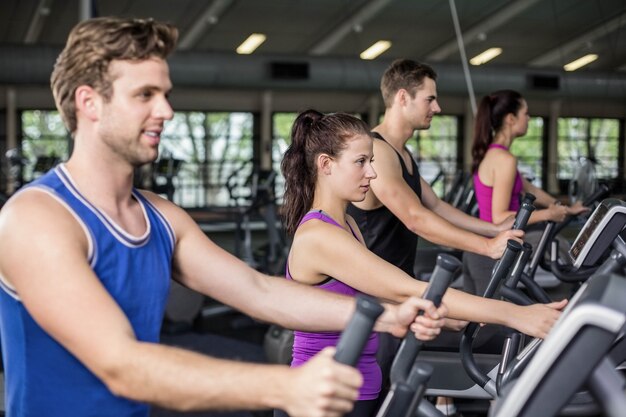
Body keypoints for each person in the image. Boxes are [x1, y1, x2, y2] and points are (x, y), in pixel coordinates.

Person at [0, 17, 443, 417]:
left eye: (165, 94)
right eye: (144, 95)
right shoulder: (37, 218)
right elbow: (122, 364)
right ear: (89, 103)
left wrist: (386, 314)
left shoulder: (160, 216)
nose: (166, 111)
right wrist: (285, 385)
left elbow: (260, 292)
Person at [279, 110, 565, 416]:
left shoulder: (347, 222)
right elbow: (407, 289)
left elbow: (377, 294)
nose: (372, 174)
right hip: (324, 398)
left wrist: (442, 314)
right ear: (326, 165)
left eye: (371, 162)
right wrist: (516, 315)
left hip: (356, 388)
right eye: (361, 162)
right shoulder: (320, 235)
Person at [344, 59, 559, 416]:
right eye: (430, 99)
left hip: (398, 293)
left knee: (395, 396)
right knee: (376, 402)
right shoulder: (377, 151)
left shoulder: (402, 155)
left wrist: (493, 228)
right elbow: (416, 219)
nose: (437, 107)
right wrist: (486, 246)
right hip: (374, 298)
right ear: (402, 97)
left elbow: (437, 207)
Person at [465, 89, 589, 296]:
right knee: (562, 247)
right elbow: (500, 217)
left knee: (471, 323)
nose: (529, 118)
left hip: (483, 247)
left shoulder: (495, 154)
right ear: (511, 119)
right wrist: (549, 214)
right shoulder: (504, 160)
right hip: (494, 248)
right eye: (526, 113)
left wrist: (565, 208)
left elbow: (530, 189)